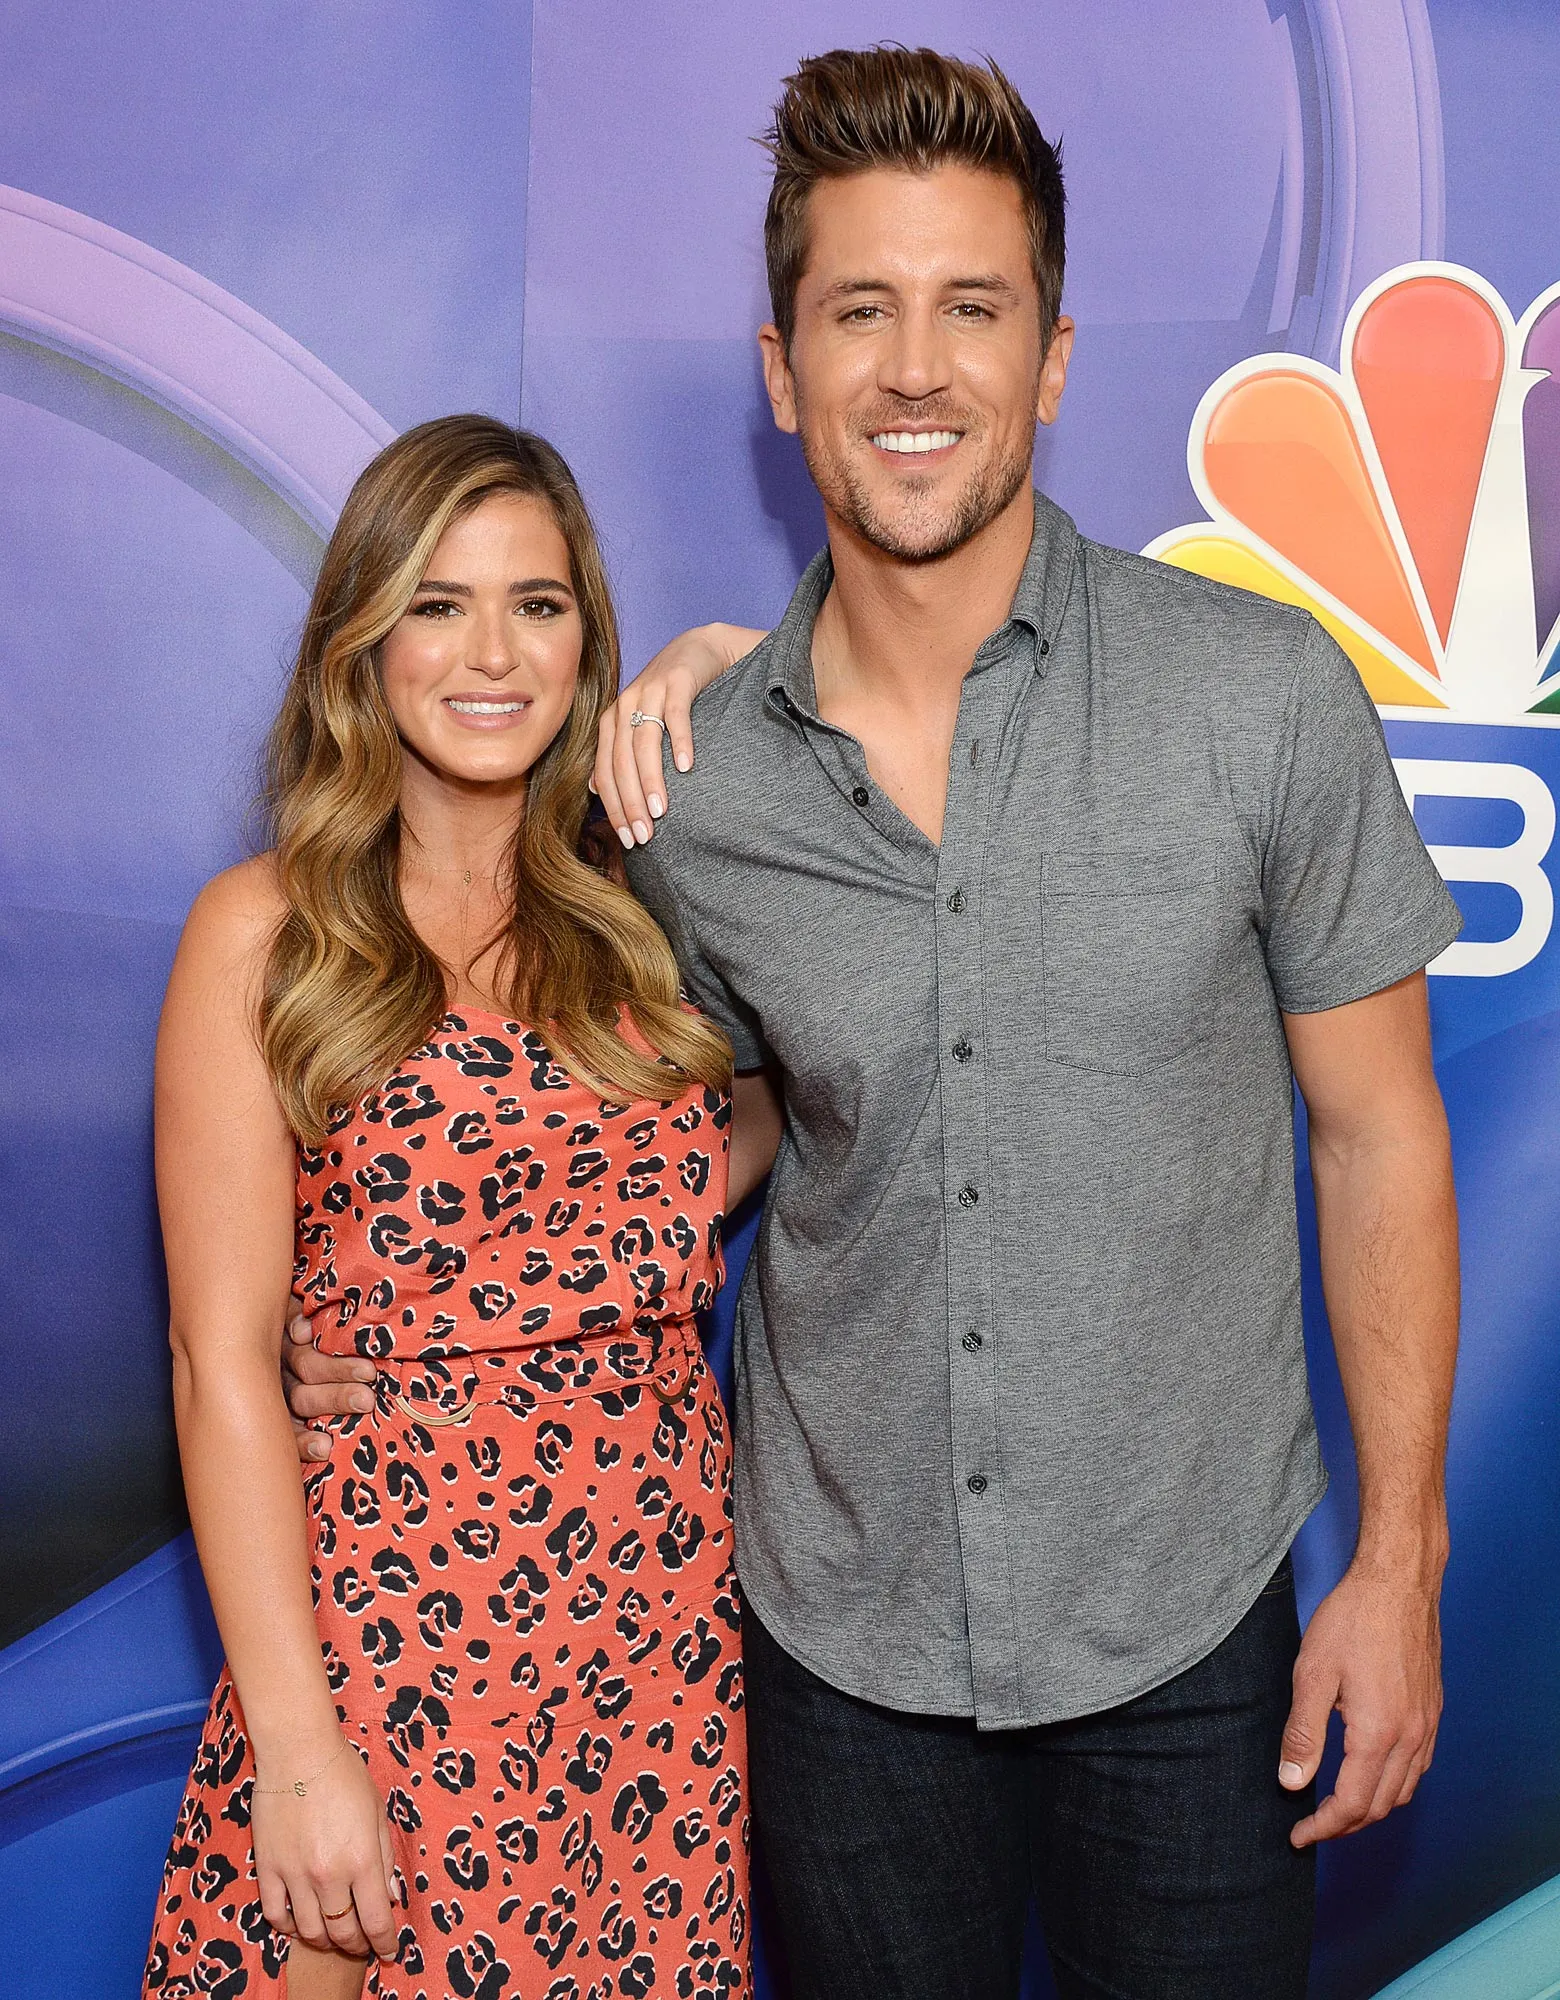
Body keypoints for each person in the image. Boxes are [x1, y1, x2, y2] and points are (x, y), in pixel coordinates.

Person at [291, 49, 1461, 2000]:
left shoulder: (1259, 699)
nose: (916, 370)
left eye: (971, 308)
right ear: (782, 371)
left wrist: (1402, 1564)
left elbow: (1381, 1132)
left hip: (1188, 1635)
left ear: (1054, 359)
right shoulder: (685, 790)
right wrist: (367, 1324)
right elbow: (612, 1124)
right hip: (834, 1659)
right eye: (860, 312)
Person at [144, 416, 777, 2000]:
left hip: (652, 1637)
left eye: (537, 605)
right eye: (439, 603)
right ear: (365, 638)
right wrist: (299, 1751)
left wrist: (724, 658)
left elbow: (757, 1114)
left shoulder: (643, 915)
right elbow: (221, 1368)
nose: (493, 653)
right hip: (393, 1635)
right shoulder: (268, 932)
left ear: (586, 642)